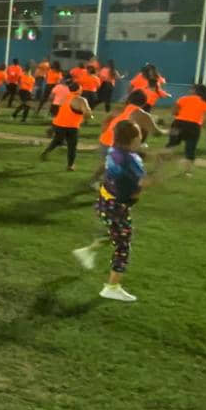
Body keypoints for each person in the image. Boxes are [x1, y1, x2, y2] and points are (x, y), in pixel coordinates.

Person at [70, 120, 147, 303]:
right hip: (117, 208)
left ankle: (87, 251)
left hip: (105, 202)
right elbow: (142, 184)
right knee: (123, 246)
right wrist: (163, 174)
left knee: (116, 233)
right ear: (134, 138)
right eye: (138, 133)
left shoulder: (114, 151)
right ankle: (111, 287)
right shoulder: (132, 159)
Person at [92, 89, 162, 183]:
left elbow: (105, 121)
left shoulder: (119, 109)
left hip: (105, 140)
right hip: (120, 144)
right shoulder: (142, 114)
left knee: (108, 163)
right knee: (119, 164)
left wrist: (105, 131)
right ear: (144, 102)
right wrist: (168, 131)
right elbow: (156, 132)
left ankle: (95, 181)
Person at [164, 84, 206, 174]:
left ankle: (159, 166)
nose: (189, 90)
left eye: (191, 89)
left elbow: (174, 112)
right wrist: (200, 124)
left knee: (171, 145)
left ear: (195, 91)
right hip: (193, 126)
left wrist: (181, 115)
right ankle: (187, 172)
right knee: (190, 149)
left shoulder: (183, 98)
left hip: (178, 124)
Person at [40, 82, 92, 170]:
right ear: (79, 90)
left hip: (58, 124)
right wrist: (90, 115)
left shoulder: (66, 97)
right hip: (71, 126)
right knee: (72, 146)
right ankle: (70, 165)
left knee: (57, 141)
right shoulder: (81, 99)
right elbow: (87, 113)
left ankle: (45, 152)